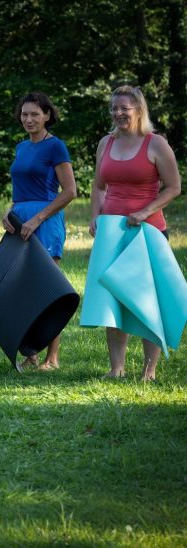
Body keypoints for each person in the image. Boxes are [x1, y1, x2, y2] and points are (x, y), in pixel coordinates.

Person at [89, 85, 181, 381]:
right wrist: (95, 217)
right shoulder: (106, 142)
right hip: (111, 233)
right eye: (114, 108)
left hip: (147, 231)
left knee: (145, 299)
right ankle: (116, 368)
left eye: (124, 109)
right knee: (113, 298)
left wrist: (144, 212)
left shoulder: (155, 144)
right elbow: (98, 186)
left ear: (138, 110)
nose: (118, 114)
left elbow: (174, 187)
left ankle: (149, 371)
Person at [2, 92, 77, 371]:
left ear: (47, 115)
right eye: (24, 114)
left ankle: (52, 358)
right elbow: (20, 190)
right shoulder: (21, 147)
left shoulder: (56, 147)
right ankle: (31, 352)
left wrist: (37, 219)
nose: (29, 119)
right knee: (22, 286)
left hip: (45, 220)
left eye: (35, 114)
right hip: (20, 218)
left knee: (48, 289)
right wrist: (9, 215)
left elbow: (70, 191)